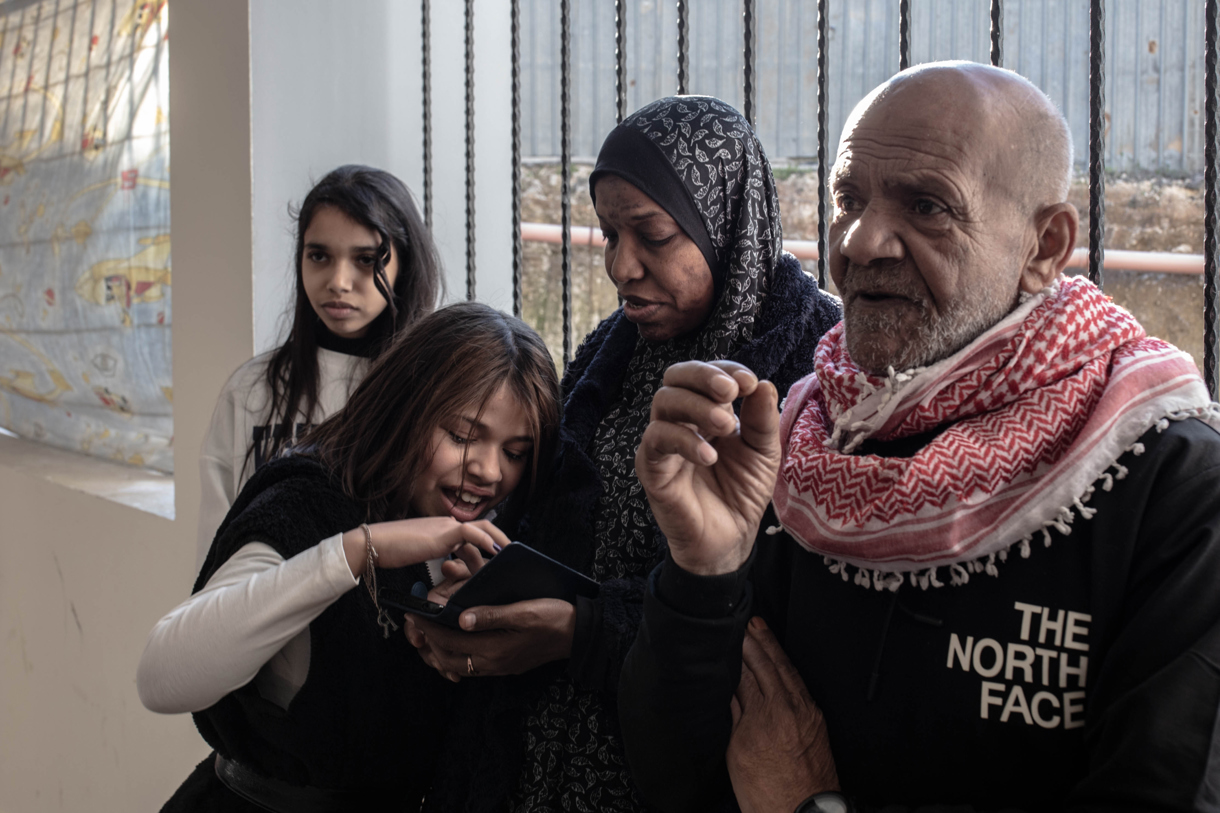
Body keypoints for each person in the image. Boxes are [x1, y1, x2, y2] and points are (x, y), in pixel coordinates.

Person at [620, 62, 1220, 812]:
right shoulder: (796, 447)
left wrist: (812, 806)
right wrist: (703, 572)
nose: (862, 241)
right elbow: (674, 774)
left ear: (1045, 246)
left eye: (928, 205)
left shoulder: (1171, 486)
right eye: (848, 198)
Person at [406, 96, 842, 811]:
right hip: (542, 751)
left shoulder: (813, 371)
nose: (621, 265)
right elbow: (543, 514)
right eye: (608, 233)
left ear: (726, 221)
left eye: (652, 234)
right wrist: (484, 580)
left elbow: (778, 616)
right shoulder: (613, 352)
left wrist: (581, 630)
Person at [137, 302, 561, 812]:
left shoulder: (494, 540)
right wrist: (354, 552)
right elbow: (162, 677)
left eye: (515, 453)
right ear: (405, 407)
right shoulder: (308, 501)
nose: (490, 472)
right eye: (464, 437)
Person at [195, 164, 441, 569]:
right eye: (319, 256)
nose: (338, 281)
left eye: (365, 260)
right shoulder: (252, 390)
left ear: (405, 265)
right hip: (269, 620)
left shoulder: (434, 393)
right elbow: (216, 547)